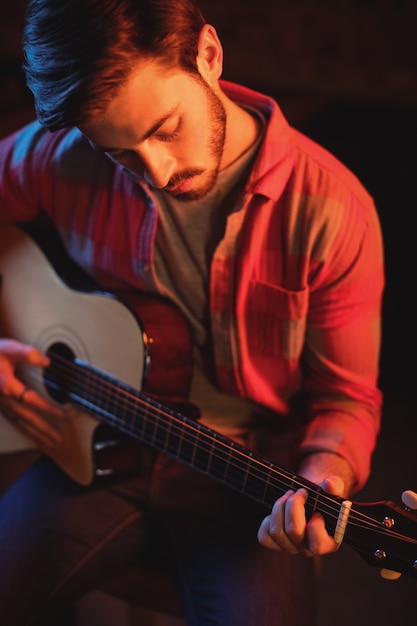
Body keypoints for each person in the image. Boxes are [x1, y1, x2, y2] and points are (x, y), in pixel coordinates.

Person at [0, 0, 384, 624]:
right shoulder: (61, 153)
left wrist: (325, 477)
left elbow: (346, 399)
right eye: (117, 153)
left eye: (164, 128)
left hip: (246, 481)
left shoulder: (334, 210)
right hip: (97, 445)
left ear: (208, 56)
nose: (155, 171)